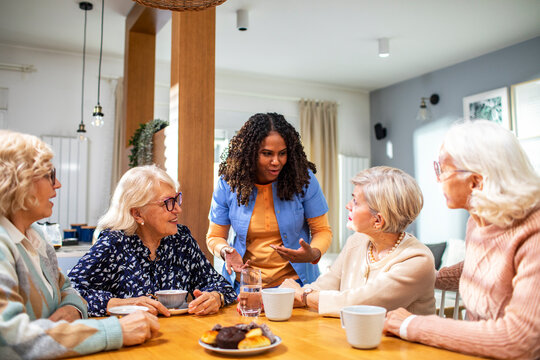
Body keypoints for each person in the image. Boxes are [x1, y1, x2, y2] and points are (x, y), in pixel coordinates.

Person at [384, 120, 540, 359]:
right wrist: (425, 276)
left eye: (443, 170)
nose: (438, 179)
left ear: (475, 182)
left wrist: (411, 324)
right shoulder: (477, 221)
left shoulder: (534, 233)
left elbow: (520, 339)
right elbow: (480, 269)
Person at [0, 131, 158, 358]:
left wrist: (62, 320)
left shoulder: (36, 238)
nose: (58, 184)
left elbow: (69, 291)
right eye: (49, 175)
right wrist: (114, 331)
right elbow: (9, 341)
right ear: (20, 181)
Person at [69, 165, 237, 317]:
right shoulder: (114, 243)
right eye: (168, 203)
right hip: (130, 341)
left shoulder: (181, 240)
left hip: (177, 336)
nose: (178, 209)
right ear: (137, 213)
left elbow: (220, 284)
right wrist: (123, 304)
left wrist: (216, 297)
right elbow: (70, 293)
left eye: (177, 199)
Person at [281, 166, 436, 316]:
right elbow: (326, 285)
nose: (348, 205)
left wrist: (303, 295)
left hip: (401, 343)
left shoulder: (417, 260)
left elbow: (361, 303)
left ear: (378, 220)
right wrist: (283, 297)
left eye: (355, 201)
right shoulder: (357, 241)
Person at [207, 113, 332, 289]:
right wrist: (224, 250)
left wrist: (313, 253)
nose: (276, 161)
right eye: (267, 154)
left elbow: (322, 230)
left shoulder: (303, 179)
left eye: (282, 153)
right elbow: (214, 236)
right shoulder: (228, 184)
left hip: (295, 285)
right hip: (245, 285)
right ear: (249, 153)